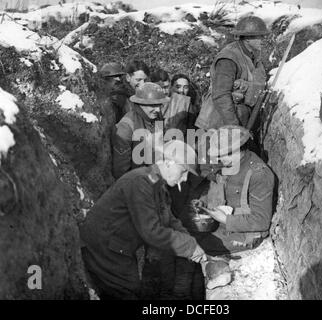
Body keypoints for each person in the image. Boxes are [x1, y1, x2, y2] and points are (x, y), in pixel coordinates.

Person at [79, 140, 207, 300]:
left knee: (132, 290)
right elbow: (151, 232)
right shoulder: (140, 182)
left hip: (118, 247)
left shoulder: (156, 183)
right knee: (127, 293)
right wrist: (189, 246)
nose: (185, 178)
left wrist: (191, 243)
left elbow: (169, 219)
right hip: (103, 248)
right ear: (169, 163)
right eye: (184, 171)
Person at [195, 125, 275, 255]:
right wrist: (205, 203)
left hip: (246, 233)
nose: (220, 159)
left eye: (223, 155)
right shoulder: (232, 163)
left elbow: (262, 221)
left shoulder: (258, 174)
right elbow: (219, 185)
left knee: (197, 245)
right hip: (226, 221)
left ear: (237, 150)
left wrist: (226, 219)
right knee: (185, 229)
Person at [195, 16, 268, 130]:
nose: (263, 40)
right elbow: (221, 95)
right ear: (248, 39)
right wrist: (234, 127)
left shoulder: (251, 55)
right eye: (260, 36)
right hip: (218, 124)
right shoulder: (229, 59)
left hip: (237, 118)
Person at [112, 82, 169, 179]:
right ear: (140, 104)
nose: (158, 110)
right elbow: (121, 171)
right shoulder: (126, 126)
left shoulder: (157, 118)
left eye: (159, 105)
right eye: (153, 106)